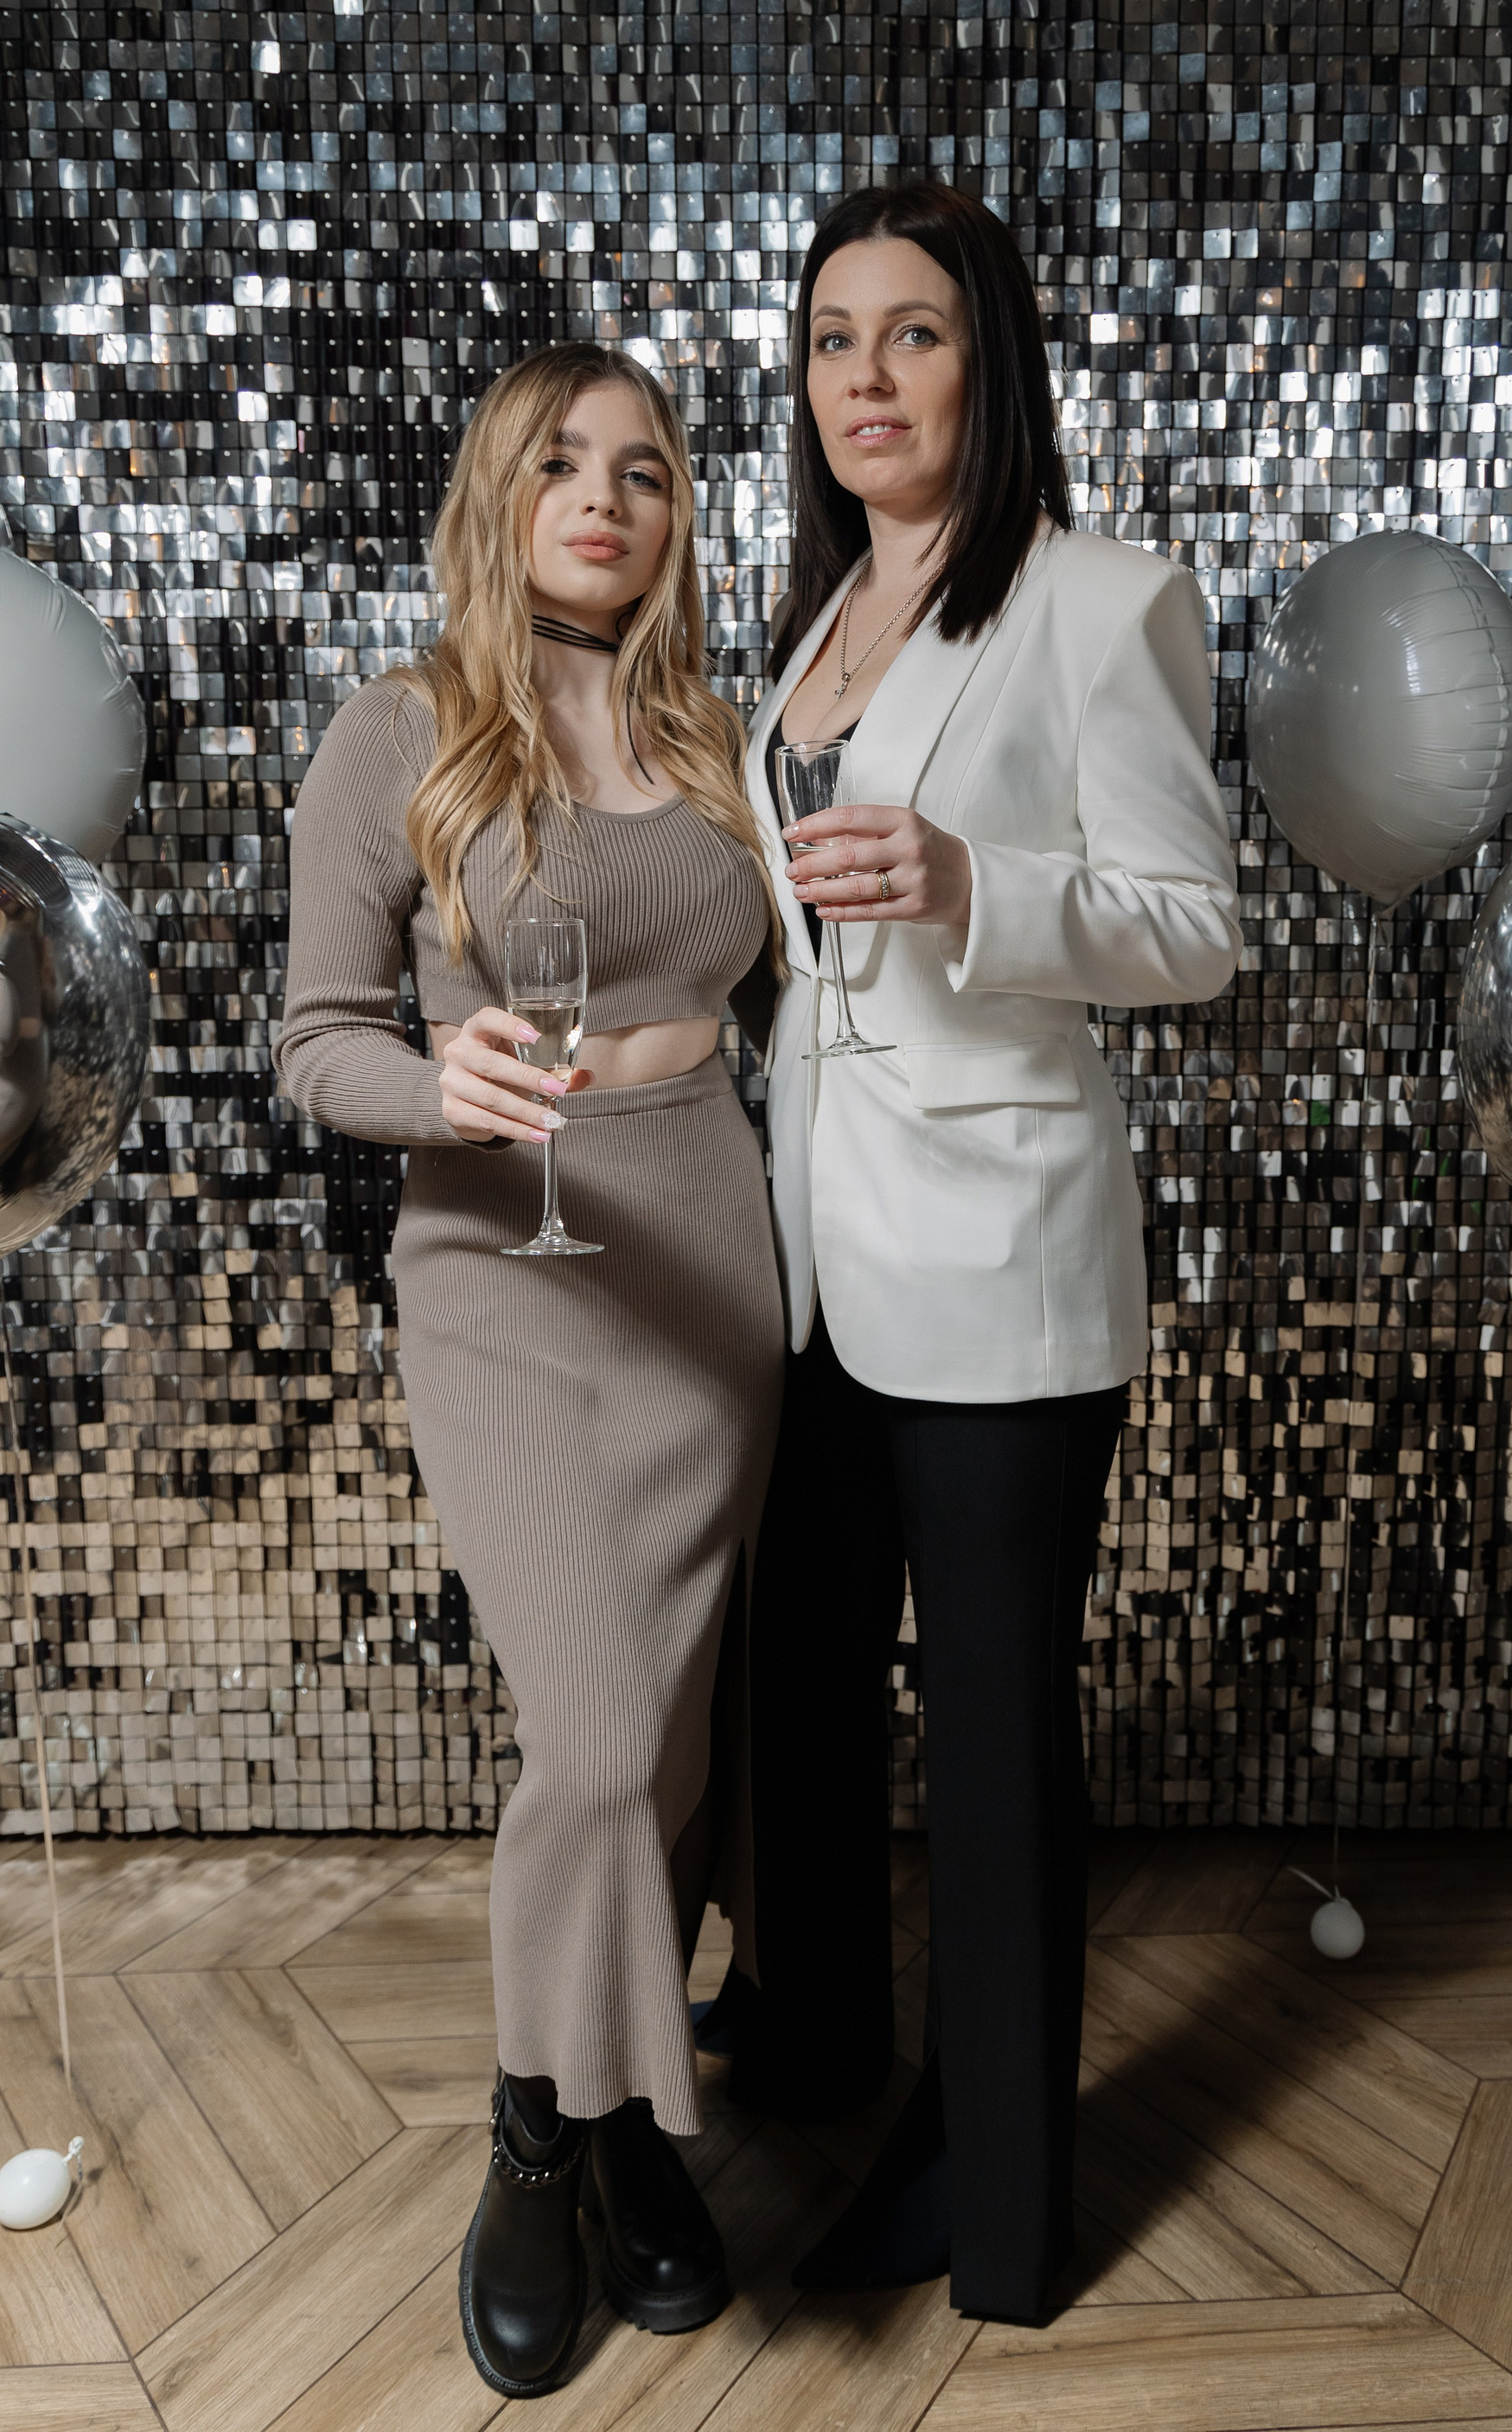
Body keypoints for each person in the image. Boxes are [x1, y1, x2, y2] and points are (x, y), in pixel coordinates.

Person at [717, 182, 1242, 2324]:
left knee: (997, 1745)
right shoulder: (813, 620)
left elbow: (1194, 933)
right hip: (812, 1256)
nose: (867, 377)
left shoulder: (1102, 605)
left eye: (913, 333)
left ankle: (999, 2208)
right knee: (804, 1684)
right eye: (832, 338)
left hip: (1005, 1267)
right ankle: (819, 2051)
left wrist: (972, 883)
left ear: (988, 361)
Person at [275, 343, 784, 2397]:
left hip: (706, 1254)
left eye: (645, 470)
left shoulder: (720, 732)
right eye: (562, 462)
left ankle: (627, 2126)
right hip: (504, 1260)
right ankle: (537, 2137)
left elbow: (793, 995)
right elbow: (316, 1039)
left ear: (676, 518)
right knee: (592, 1732)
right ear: (498, 495)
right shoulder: (400, 729)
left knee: (668, 1743)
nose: (606, 497)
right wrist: (438, 1081)